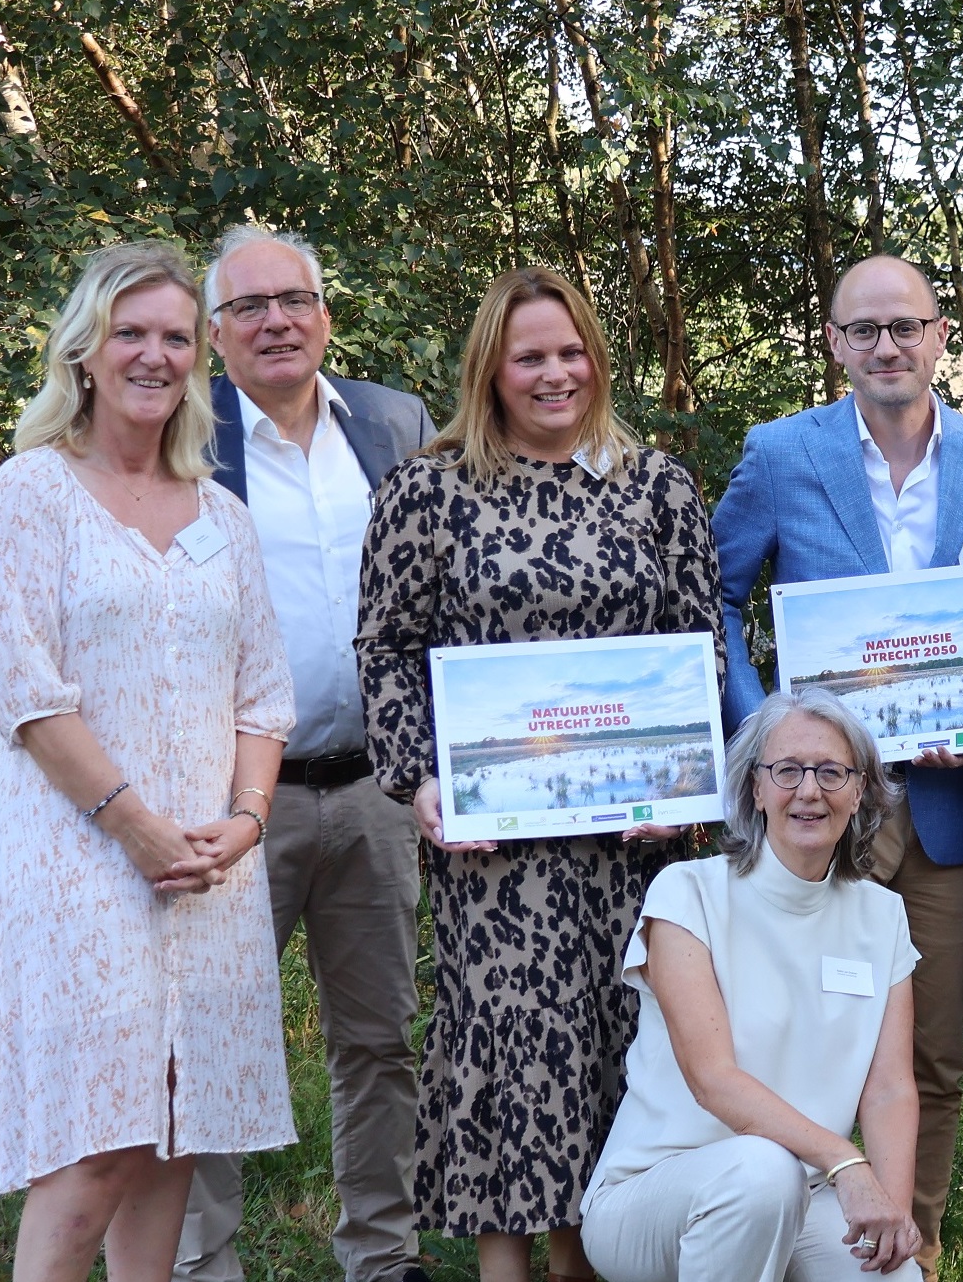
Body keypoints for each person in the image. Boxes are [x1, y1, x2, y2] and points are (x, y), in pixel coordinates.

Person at [356, 268, 724, 1282]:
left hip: (632, 848)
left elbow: (699, 647)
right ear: (492, 369)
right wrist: (419, 778)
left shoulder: (657, 486)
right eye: (530, 356)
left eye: (571, 352)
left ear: (595, 359)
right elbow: (386, 648)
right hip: (495, 851)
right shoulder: (427, 491)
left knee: (621, 1051)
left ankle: (594, 1263)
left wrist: (686, 783)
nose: (555, 372)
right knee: (515, 1060)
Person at [709, 253, 963, 1279]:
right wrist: (771, 729)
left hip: (945, 808)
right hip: (812, 809)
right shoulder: (779, 454)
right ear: (834, 342)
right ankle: (788, 1247)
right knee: (786, 1045)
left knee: (930, 1056)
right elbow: (713, 596)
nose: (886, 345)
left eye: (905, 325)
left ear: (940, 334)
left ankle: (908, 1255)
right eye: (864, 328)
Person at [0, 240, 295, 1282]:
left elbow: (263, 696)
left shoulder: (222, 515)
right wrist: (135, 824)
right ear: (85, 350)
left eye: (176, 337)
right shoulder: (34, 491)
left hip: (206, 869)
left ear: (199, 358)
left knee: (171, 1130)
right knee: (96, 1141)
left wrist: (245, 821)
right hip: (80, 863)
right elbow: (24, 688)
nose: (155, 354)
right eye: (131, 332)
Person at [175, 224, 436, 1282]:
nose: (276, 321)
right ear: (215, 333)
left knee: (381, 1036)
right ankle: (202, 1261)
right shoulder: (181, 432)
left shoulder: (395, 422)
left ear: (325, 313)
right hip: (232, 797)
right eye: (249, 306)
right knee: (210, 1040)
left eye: (294, 299)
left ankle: (384, 1252)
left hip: (376, 785)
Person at [580, 689, 921, 1281]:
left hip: (805, 1192)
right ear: (756, 789)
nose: (809, 790)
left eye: (831, 772)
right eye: (787, 770)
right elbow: (712, 1080)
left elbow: (890, 1089)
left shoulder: (883, 915)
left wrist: (889, 1212)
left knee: (890, 1276)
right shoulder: (686, 893)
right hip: (654, 1196)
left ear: (859, 791)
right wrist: (846, 1161)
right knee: (762, 1174)